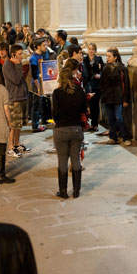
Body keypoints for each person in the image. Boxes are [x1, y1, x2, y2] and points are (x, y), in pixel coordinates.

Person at [52, 68, 87, 198]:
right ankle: (76, 191)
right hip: (76, 129)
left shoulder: (57, 93)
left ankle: (63, 191)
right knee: (75, 159)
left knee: (62, 161)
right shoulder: (79, 91)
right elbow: (84, 109)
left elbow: (54, 113)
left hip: (61, 130)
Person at [2, 44, 31, 157]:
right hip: (14, 98)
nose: (21, 56)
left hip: (22, 96)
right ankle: (10, 147)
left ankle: (16, 143)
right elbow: (16, 80)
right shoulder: (7, 65)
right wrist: (19, 66)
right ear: (13, 54)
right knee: (13, 124)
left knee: (19, 124)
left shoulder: (18, 64)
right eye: (19, 54)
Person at [100, 47, 132, 145]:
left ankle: (126, 137)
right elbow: (102, 84)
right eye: (107, 56)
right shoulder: (105, 68)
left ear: (115, 57)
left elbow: (126, 85)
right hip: (108, 97)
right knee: (110, 118)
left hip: (118, 97)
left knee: (119, 117)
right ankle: (113, 137)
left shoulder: (122, 69)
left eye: (109, 56)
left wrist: (126, 99)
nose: (107, 58)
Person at [83, 43, 104, 132]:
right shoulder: (85, 59)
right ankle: (89, 123)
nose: (91, 51)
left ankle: (95, 124)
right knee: (90, 105)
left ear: (95, 50)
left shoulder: (98, 59)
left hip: (96, 84)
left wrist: (100, 75)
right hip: (88, 84)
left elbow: (103, 69)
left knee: (95, 104)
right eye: (89, 49)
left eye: (92, 49)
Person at [29, 38, 47, 133]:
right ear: (38, 46)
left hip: (41, 83)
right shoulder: (33, 58)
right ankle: (35, 126)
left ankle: (37, 123)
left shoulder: (41, 56)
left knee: (39, 104)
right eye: (44, 45)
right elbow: (34, 75)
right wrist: (39, 87)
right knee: (35, 105)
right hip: (36, 84)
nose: (46, 47)